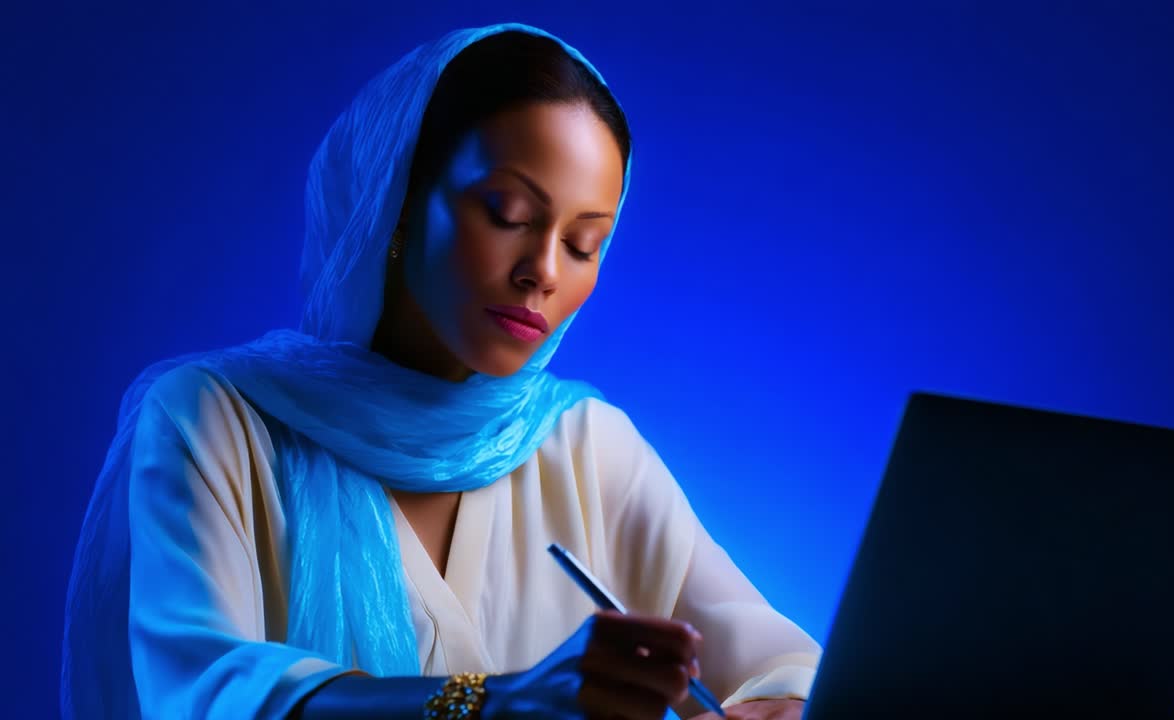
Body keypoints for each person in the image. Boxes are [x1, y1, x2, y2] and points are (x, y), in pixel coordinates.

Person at [62, 22, 822, 720]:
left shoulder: (588, 448)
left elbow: (781, 660)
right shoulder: (215, 420)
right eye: (507, 213)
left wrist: (780, 705)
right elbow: (205, 688)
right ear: (395, 203)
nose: (543, 273)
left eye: (585, 245)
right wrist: (487, 705)